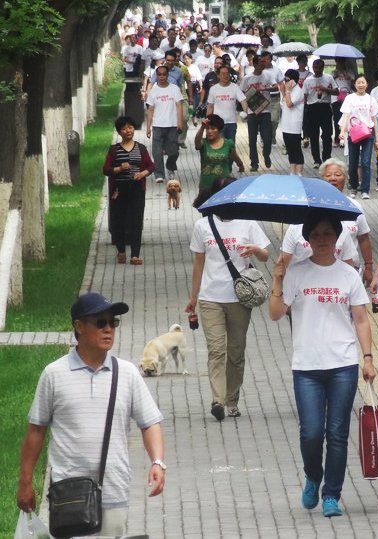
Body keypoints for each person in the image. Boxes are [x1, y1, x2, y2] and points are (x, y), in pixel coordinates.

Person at [16, 292, 165, 535]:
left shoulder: (126, 373)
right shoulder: (54, 374)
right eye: (100, 322)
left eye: (113, 323)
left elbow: (150, 423)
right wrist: (25, 482)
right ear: (79, 326)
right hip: (68, 494)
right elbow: (36, 430)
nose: (109, 329)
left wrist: (158, 462)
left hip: (114, 490)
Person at [268, 212, 376, 518]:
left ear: (338, 237)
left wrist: (367, 358)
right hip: (306, 366)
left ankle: (332, 494)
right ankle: (313, 475)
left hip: (342, 364)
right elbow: (276, 313)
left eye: (328, 234)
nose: (323, 240)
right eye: (316, 235)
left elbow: (361, 319)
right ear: (307, 239)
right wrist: (277, 279)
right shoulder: (297, 272)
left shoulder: (348, 275)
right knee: (312, 432)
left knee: (338, 433)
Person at [186, 177, 270, 420]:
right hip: (210, 297)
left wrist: (255, 250)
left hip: (240, 298)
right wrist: (193, 298)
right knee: (216, 350)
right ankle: (218, 400)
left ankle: (232, 400)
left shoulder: (248, 223)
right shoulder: (203, 226)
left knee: (236, 352)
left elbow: (265, 256)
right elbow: (198, 264)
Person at [103, 115, 155, 266]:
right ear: (119, 132)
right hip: (118, 191)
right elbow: (106, 169)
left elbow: (151, 166)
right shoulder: (114, 150)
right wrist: (119, 168)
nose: (128, 131)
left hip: (137, 190)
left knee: (136, 221)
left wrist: (142, 174)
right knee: (118, 221)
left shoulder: (141, 148)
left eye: (130, 127)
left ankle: (135, 255)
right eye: (124, 128)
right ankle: (121, 251)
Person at [319, 158, 375, 285]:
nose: (333, 178)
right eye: (328, 175)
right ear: (322, 179)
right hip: (320, 272)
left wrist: (369, 267)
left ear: (345, 178)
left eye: (338, 175)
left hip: (351, 271)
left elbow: (364, 238)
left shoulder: (354, 206)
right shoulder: (315, 207)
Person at [338, 74, 378, 200]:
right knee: (353, 163)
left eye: (363, 82)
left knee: (366, 162)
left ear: (367, 84)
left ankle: (365, 190)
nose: (361, 85)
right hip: (353, 134)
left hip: (367, 134)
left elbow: (374, 119)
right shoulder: (350, 99)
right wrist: (342, 132)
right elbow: (345, 116)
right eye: (358, 82)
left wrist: (377, 139)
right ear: (355, 85)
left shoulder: (371, 100)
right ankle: (354, 187)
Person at [145, 64, 184, 182]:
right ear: (156, 76)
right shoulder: (153, 91)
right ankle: (159, 174)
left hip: (172, 125)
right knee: (157, 152)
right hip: (157, 125)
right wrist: (148, 127)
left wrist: (180, 122)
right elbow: (150, 109)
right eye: (159, 74)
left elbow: (179, 106)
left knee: (173, 151)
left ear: (168, 75)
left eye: (164, 74)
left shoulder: (174, 89)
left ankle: (170, 166)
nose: (162, 77)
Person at [240, 56, 275, 171]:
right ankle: (254, 163)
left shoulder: (268, 75)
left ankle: (266, 155)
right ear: (254, 64)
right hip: (252, 112)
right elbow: (241, 91)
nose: (263, 64)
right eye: (260, 62)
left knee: (267, 138)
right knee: (252, 139)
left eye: (264, 62)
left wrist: (265, 89)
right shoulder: (247, 78)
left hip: (265, 111)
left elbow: (276, 86)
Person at [303, 59, 337, 168]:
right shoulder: (308, 80)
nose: (317, 70)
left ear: (323, 68)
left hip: (325, 106)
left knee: (327, 134)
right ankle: (316, 159)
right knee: (314, 135)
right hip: (312, 107)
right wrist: (305, 110)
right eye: (315, 67)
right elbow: (304, 96)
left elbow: (337, 91)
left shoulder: (328, 78)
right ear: (313, 67)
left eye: (320, 68)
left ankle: (326, 157)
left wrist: (326, 89)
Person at [194, 114, 244, 187]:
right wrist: (202, 127)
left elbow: (235, 157)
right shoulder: (203, 143)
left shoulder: (228, 143)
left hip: (223, 186)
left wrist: (241, 165)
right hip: (206, 186)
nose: (209, 131)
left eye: (213, 128)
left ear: (219, 130)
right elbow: (197, 142)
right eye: (207, 128)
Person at [206, 64, 249, 142]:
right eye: (223, 74)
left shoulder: (235, 87)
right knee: (219, 147)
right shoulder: (213, 89)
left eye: (227, 73)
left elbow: (243, 100)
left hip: (231, 123)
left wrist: (245, 112)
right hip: (217, 124)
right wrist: (207, 122)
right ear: (218, 76)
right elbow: (210, 106)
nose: (226, 76)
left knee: (230, 147)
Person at [281, 68, 305, 175]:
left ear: (294, 80)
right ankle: (292, 171)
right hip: (286, 124)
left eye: (288, 79)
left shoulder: (298, 91)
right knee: (289, 149)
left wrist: (287, 91)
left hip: (294, 125)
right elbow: (283, 103)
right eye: (285, 79)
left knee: (296, 148)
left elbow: (290, 104)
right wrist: (285, 91)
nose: (286, 82)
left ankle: (299, 171)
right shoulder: (288, 91)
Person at [331, 58, 355, 146]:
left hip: (347, 97)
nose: (340, 64)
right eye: (338, 62)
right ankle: (337, 138)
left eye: (342, 62)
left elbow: (354, 84)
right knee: (337, 118)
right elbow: (330, 84)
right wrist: (335, 76)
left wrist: (349, 77)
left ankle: (346, 138)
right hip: (336, 98)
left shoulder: (350, 72)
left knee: (346, 117)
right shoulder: (333, 73)